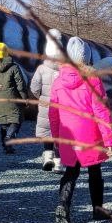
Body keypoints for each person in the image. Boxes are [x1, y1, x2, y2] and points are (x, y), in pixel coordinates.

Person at [49, 36, 112, 223]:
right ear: (87, 56)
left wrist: (56, 137)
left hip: (68, 132)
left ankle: (63, 205)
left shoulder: (58, 80)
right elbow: (101, 111)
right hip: (89, 133)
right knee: (95, 171)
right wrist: (109, 139)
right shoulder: (92, 79)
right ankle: (98, 209)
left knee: (71, 171)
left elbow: (53, 113)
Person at [28, 31, 66, 173]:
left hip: (46, 104)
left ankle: (48, 157)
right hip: (62, 106)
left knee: (47, 131)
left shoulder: (42, 69)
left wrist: (42, 97)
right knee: (61, 134)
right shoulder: (66, 69)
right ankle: (58, 162)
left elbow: (34, 88)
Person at [0, 42, 31, 154]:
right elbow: (20, 85)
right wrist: (25, 98)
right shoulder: (14, 67)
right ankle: (9, 138)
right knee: (16, 120)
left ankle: (7, 146)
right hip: (12, 100)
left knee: (4, 124)